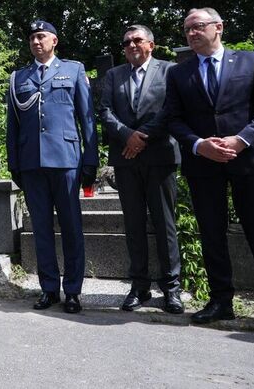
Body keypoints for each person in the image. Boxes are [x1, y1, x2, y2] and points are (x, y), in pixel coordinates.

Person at [165, 7, 254, 335]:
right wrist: (197, 145)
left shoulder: (250, 62)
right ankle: (221, 300)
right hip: (203, 165)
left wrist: (242, 140)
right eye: (186, 30)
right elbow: (174, 118)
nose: (191, 33)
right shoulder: (179, 73)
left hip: (249, 163)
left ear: (218, 27)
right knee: (211, 233)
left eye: (197, 27)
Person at [6, 20, 97, 313]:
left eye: (41, 36)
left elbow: (87, 119)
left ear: (54, 41)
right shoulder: (19, 77)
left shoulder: (73, 70)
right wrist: (14, 163)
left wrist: (90, 159)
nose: (36, 41)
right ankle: (48, 289)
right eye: (32, 37)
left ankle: (72, 290)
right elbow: (13, 126)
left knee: (71, 228)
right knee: (41, 230)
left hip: (66, 161)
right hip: (32, 163)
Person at [99, 25, 184, 314]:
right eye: (126, 42)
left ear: (151, 44)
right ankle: (139, 286)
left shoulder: (169, 71)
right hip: (126, 158)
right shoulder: (114, 75)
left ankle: (171, 288)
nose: (131, 45)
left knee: (165, 224)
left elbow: (171, 109)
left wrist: (142, 137)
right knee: (133, 224)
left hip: (159, 155)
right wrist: (127, 136)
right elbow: (105, 111)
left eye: (137, 40)